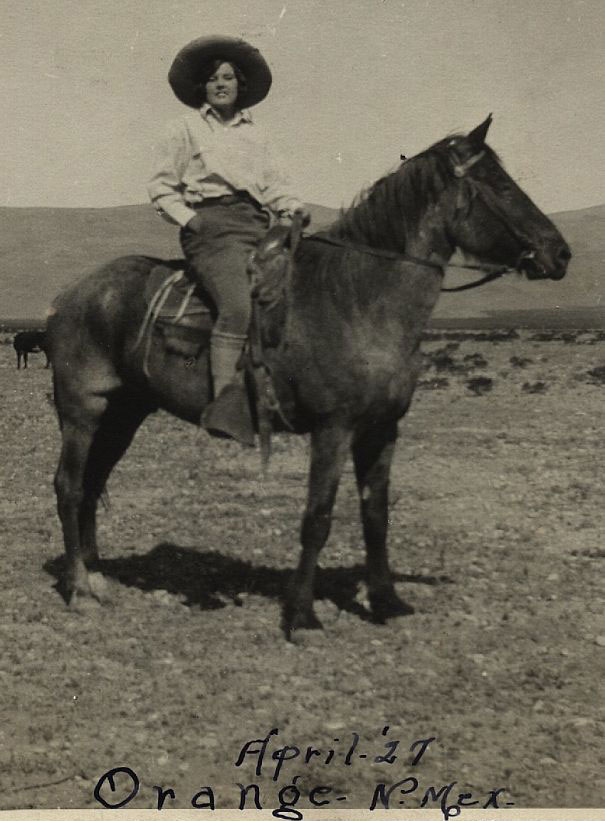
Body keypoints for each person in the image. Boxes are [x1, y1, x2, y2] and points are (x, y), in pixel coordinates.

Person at [147, 35, 308, 444]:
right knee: (237, 305)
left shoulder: (259, 134)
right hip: (211, 228)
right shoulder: (183, 128)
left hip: (257, 225)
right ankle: (225, 406)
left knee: (298, 294)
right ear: (202, 86)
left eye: (229, 78)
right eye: (213, 78)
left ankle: (286, 391)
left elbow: (276, 186)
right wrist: (191, 221)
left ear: (241, 85)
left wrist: (292, 210)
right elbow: (162, 187)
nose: (221, 84)